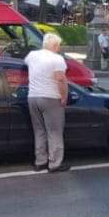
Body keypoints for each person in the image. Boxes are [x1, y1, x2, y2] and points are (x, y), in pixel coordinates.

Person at [25, 31, 70, 173]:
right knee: (54, 132)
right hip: (50, 97)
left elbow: (27, 64)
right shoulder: (57, 59)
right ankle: (54, 163)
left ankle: (40, 161)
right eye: (59, 46)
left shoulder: (31, 56)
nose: (60, 48)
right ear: (55, 45)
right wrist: (64, 97)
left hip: (32, 97)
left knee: (39, 130)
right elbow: (61, 79)